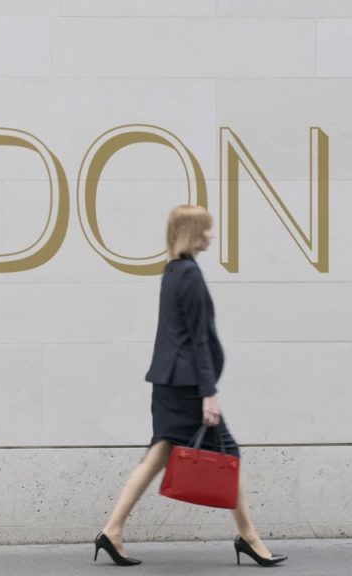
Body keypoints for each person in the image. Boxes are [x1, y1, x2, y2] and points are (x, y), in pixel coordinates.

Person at [93, 205, 286, 567]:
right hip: (187, 386)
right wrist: (209, 393)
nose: (212, 235)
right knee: (228, 453)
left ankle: (112, 531)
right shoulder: (190, 275)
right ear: (193, 232)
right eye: (208, 229)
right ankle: (250, 538)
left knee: (157, 456)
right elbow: (197, 340)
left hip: (167, 383)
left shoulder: (171, 272)